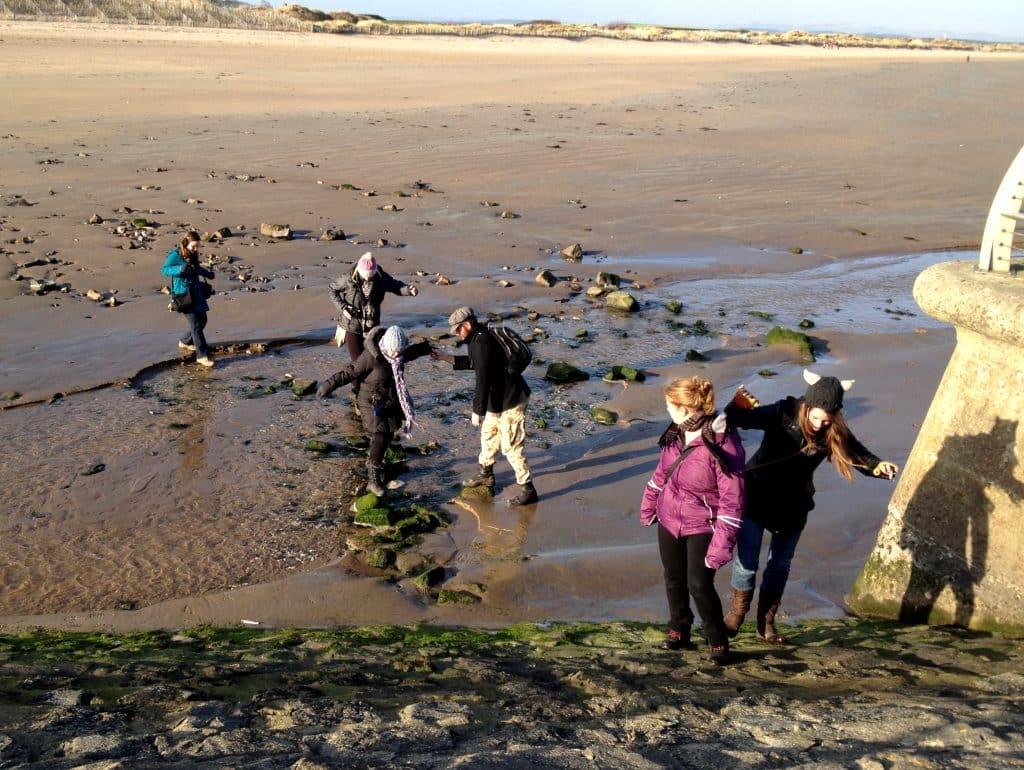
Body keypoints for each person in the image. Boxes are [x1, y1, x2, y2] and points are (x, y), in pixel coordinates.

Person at [722, 370, 900, 644]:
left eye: (826, 420)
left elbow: (856, 453)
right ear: (806, 405)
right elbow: (739, 420)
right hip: (756, 496)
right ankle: (735, 615)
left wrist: (877, 466)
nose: (818, 424)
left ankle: (766, 623)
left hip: (794, 505)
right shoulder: (782, 411)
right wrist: (737, 405)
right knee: (746, 563)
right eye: (815, 417)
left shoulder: (833, 431)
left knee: (779, 566)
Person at [640, 375, 745, 664]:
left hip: (704, 524)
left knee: (698, 583)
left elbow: (732, 500)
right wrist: (649, 504)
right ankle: (679, 629)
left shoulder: (723, 444)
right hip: (669, 517)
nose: (666, 411)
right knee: (673, 577)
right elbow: (662, 473)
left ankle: (717, 640)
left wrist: (721, 545)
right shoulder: (675, 433)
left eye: (669, 405)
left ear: (685, 408)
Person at [431, 306, 537, 506]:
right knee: (488, 434)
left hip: (511, 399)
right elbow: (477, 364)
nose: (455, 333)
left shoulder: (481, 342)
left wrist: (476, 410)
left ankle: (528, 488)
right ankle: (486, 474)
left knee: (511, 445)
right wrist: (446, 357)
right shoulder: (479, 338)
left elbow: (482, 379)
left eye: (457, 329)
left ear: (468, 324)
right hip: (496, 399)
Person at [316, 325, 430, 496]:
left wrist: (426, 348)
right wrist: (327, 386)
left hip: (389, 399)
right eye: (393, 352)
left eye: (399, 352)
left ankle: (379, 463)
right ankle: (373, 479)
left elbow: (411, 353)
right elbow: (348, 373)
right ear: (385, 345)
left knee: (389, 433)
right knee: (380, 435)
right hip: (370, 402)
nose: (395, 356)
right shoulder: (370, 356)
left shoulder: (398, 354)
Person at [328, 251, 419, 365]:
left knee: (374, 363)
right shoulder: (348, 279)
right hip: (352, 325)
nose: (368, 279)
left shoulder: (380, 277)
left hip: (373, 327)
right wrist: (343, 307)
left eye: (371, 277)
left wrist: (408, 290)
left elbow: (394, 285)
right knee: (358, 365)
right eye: (365, 277)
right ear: (360, 272)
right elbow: (332, 289)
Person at [162, 230, 216, 368]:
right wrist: (180, 268)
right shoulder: (175, 255)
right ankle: (202, 356)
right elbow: (165, 270)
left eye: (198, 246)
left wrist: (207, 274)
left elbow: (196, 268)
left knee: (203, 320)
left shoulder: (192, 254)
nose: (196, 249)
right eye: (194, 246)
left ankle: (185, 341)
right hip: (184, 295)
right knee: (196, 324)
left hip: (196, 293)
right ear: (185, 243)